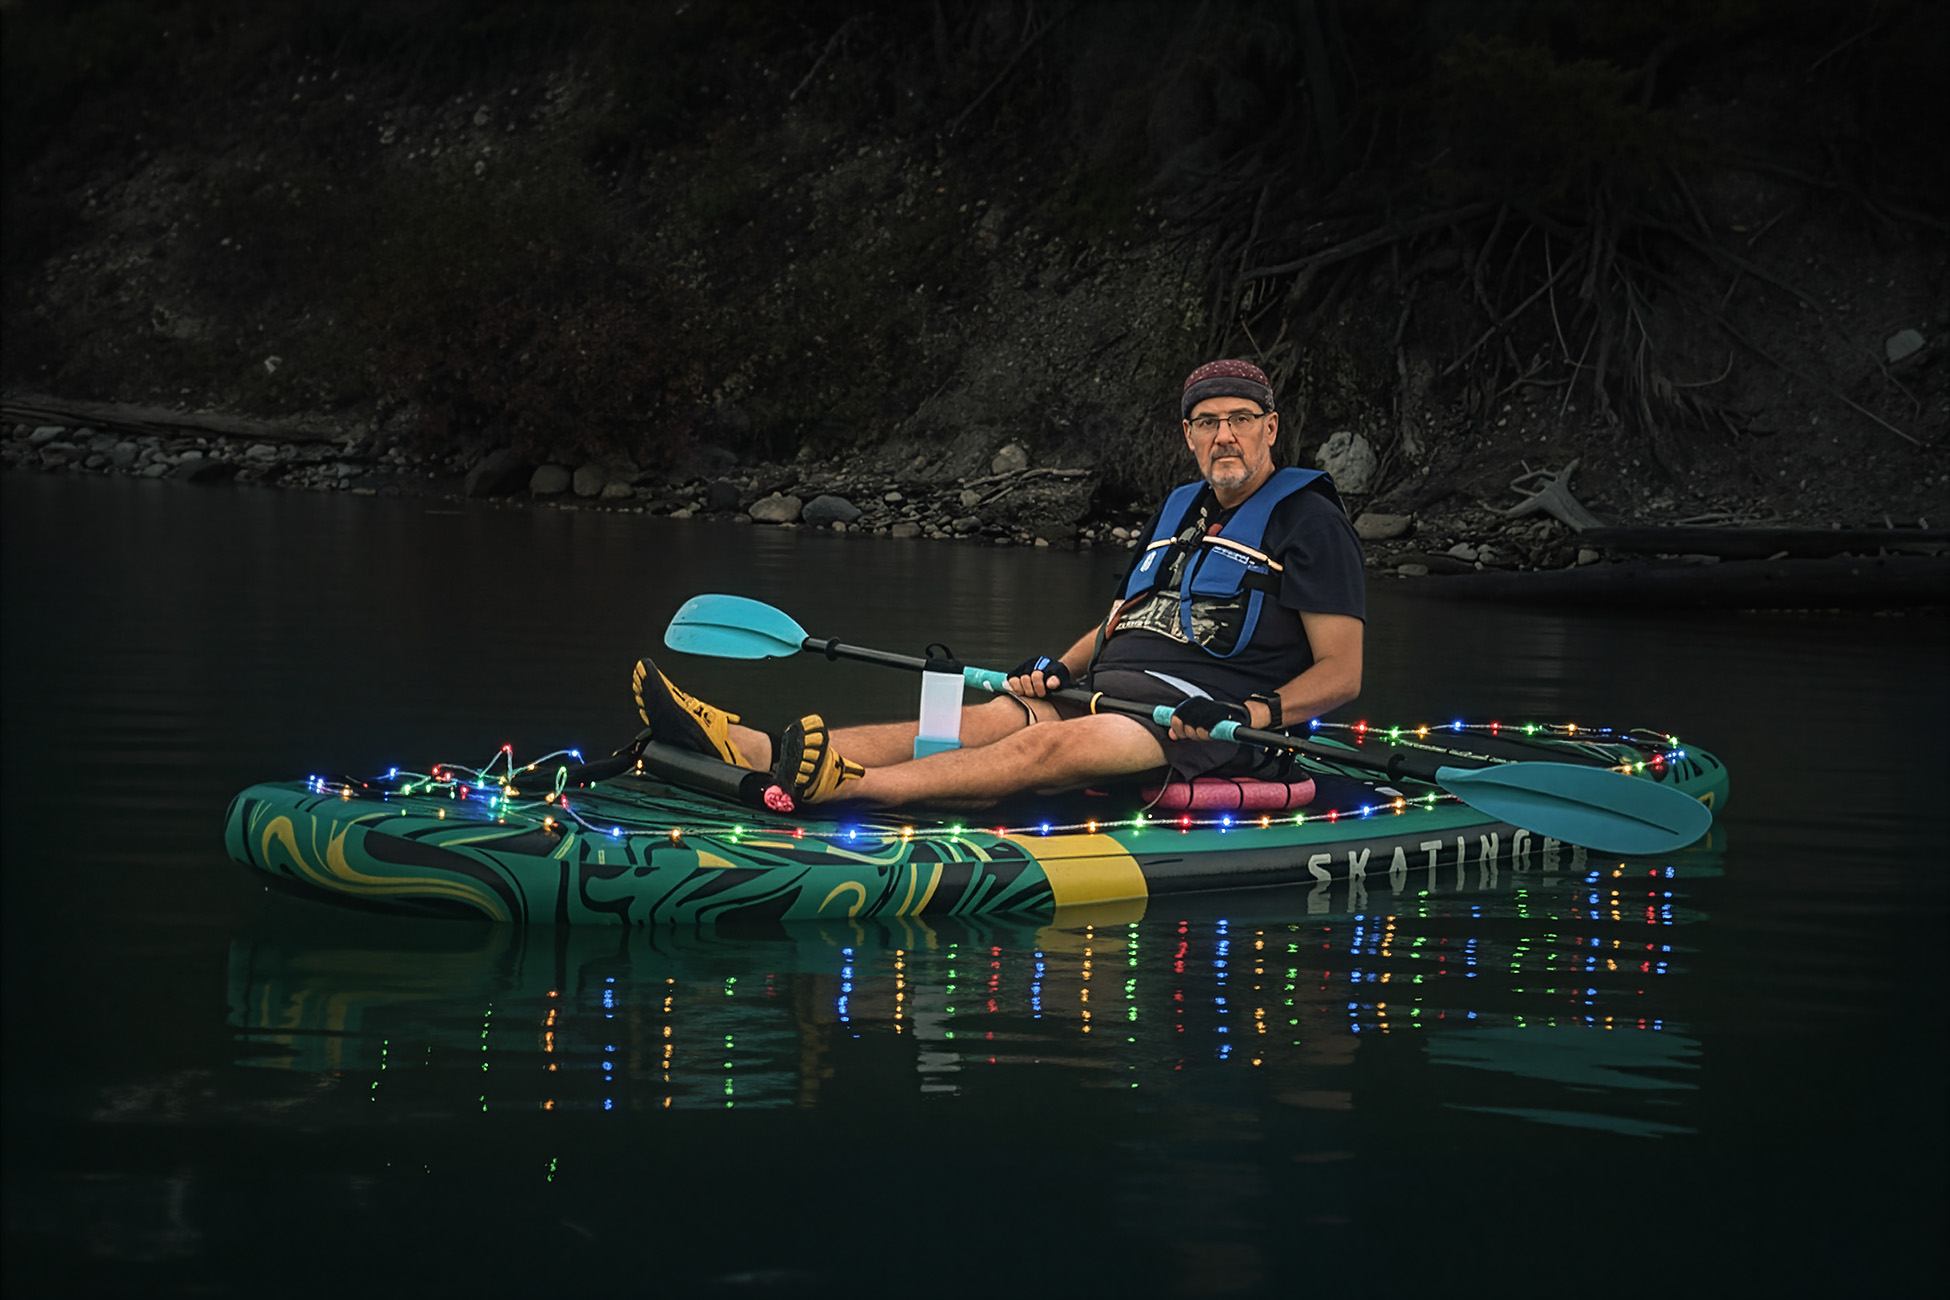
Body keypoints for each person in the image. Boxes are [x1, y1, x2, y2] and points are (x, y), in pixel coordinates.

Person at [635, 359, 1365, 809]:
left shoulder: (1308, 522)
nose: (1224, 436)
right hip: (1104, 692)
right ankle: (753, 748)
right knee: (971, 721)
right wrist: (1059, 667)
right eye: (1208, 423)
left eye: (1241, 420)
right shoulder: (1182, 509)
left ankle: (843, 788)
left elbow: (1342, 672)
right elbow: (1128, 614)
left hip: (1195, 728)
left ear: (1271, 429)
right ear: (1188, 436)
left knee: (1038, 755)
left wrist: (1260, 713)